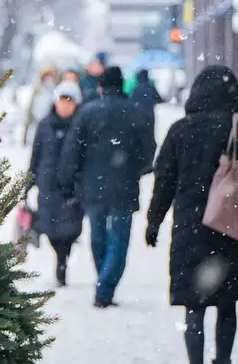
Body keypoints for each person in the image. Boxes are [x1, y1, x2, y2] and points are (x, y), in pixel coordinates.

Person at [144, 65, 238, 364]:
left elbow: (164, 181)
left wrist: (154, 221)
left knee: (194, 305)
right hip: (231, 227)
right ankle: (223, 360)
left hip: (191, 229)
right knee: (227, 303)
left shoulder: (180, 130)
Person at [58, 66, 156, 307]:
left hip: (92, 188)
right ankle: (106, 285)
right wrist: (136, 170)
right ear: (122, 85)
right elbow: (148, 151)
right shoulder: (135, 112)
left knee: (98, 236)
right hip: (124, 186)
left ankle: (103, 281)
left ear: (101, 86)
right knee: (119, 240)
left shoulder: (87, 113)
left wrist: (68, 182)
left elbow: (72, 151)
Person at [27, 81, 83, 286]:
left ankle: (62, 262)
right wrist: (28, 182)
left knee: (70, 231)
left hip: (71, 188)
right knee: (50, 230)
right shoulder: (44, 125)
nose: (65, 105)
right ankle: (60, 261)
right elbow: (36, 155)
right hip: (48, 185)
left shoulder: (80, 125)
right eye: (62, 100)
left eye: (70, 101)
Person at [23, 66, 59, 146]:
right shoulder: (38, 91)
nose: (49, 80)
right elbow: (30, 111)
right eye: (47, 77)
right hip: (36, 124)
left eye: (51, 77)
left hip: (51, 126)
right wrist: (25, 135)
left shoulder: (57, 92)